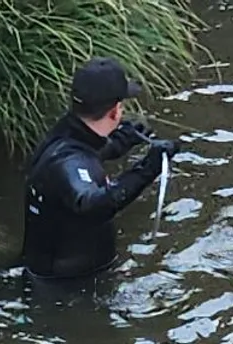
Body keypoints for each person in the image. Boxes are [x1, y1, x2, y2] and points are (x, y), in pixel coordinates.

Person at [22, 57, 180, 280]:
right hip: (69, 286)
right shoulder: (67, 162)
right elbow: (92, 204)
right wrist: (148, 167)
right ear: (116, 111)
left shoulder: (63, 135)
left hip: (53, 268)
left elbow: (88, 152)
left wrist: (121, 141)